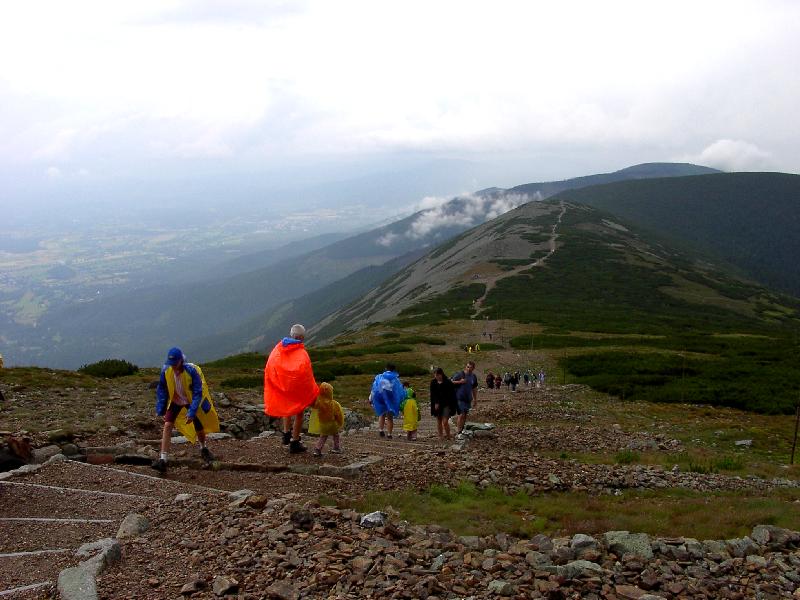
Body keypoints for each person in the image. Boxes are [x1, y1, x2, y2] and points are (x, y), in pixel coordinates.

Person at [152, 347, 219, 474]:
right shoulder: (166, 371)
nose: (173, 367)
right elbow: (162, 388)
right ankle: (163, 459)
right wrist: (161, 408)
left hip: (190, 401)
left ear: (180, 361)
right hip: (176, 401)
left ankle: (203, 447)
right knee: (167, 425)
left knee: (199, 426)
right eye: (171, 364)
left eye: (175, 364)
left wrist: (192, 412)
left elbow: (198, 392)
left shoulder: (191, 371)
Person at [264, 324, 319, 454]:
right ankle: (294, 442)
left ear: (291, 335)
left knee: (286, 408)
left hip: (282, 386)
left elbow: (271, 364)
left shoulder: (278, 348)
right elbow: (306, 375)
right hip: (296, 389)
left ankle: (286, 433)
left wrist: (276, 382)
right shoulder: (302, 353)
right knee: (299, 414)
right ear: (302, 337)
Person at [308, 383, 344, 457]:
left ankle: (318, 449)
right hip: (332, 423)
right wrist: (339, 422)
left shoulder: (319, 402)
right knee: (336, 435)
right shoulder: (334, 404)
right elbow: (338, 414)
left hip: (322, 423)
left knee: (323, 436)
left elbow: (312, 405)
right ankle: (336, 448)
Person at [370, 363, 404, 438]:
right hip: (391, 400)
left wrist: (371, 398)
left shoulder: (379, 377)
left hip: (381, 398)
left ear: (386, 368)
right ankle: (389, 434)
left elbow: (374, 388)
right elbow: (399, 390)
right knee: (390, 417)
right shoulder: (395, 379)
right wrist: (400, 400)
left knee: (381, 414)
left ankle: (381, 430)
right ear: (394, 369)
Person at [452, 360, 478, 439]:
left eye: (471, 367)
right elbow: (451, 382)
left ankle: (461, 430)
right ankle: (458, 431)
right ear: (465, 367)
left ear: (473, 368)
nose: (469, 369)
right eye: (468, 367)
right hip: (459, 397)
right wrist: (460, 382)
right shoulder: (460, 374)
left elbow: (474, 388)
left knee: (465, 415)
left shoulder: (473, 376)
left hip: (468, 398)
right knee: (461, 414)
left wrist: (475, 399)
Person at [430, 367, 456, 440]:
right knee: (438, 420)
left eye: (438, 375)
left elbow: (452, 395)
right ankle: (440, 435)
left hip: (447, 404)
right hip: (437, 404)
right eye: (435, 375)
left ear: (441, 374)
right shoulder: (433, 382)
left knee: (445, 421)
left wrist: (453, 406)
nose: (436, 377)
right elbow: (433, 394)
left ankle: (448, 436)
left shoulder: (448, 382)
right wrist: (435, 403)